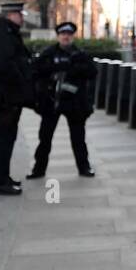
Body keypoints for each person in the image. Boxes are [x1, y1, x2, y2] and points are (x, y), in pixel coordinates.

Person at [28, 21, 98, 179]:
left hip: (74, 102)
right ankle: (38, 170)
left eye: (69, 34)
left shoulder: (80, 54)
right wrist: (53, 70)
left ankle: (84, 167)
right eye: (63, 34)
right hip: (53, 100)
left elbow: (93, 72)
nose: (66, 37)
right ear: (58, 36)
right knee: (45, 137)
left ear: (72, 36)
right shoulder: (49, 53)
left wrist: (74, 69)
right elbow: (35, 71)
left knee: (78, 138)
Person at [0, 1, 35, 195]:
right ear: (10, 14)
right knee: (4, 140)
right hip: (6, 97)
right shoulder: (3, 33)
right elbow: (6, 65)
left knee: (7, 139)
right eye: (20, 14)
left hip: (8, 96)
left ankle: (4, 178)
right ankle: (0, 183)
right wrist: (22, 80)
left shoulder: (7, 32)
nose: (22, 18)